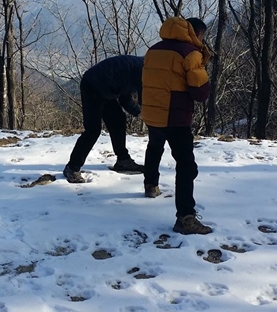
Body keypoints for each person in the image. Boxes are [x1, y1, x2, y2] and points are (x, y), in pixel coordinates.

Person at [140, 17, 212, 235]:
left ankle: (151, 185)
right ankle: (185, 218)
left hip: (153, 112)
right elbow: (200, 93)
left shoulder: (153, 50)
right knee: (186, 166)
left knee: (154, 147)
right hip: (175, 116)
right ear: (196, 34)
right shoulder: (189, 54)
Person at [63, 55, 146, 183]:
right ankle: (72, 167)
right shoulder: (144, 71)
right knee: (93, 130)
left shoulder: (142, 66)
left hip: (107, 88)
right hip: (92, 85)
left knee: (118, 120)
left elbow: (125, 98)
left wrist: (139, 112)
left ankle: (123, 160)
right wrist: (144, 112)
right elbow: (142, 99)